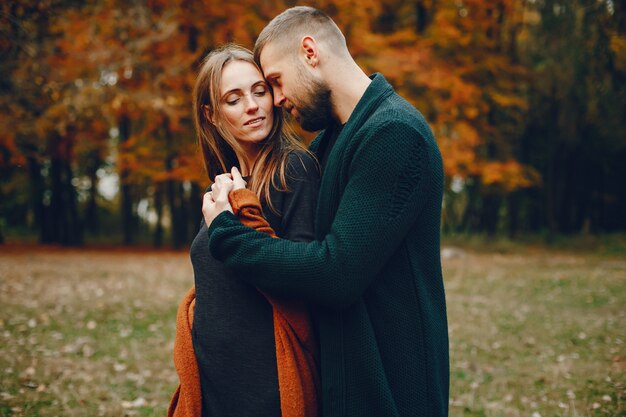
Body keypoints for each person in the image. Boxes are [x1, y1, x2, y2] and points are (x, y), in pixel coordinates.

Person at [202, 6, 449, 417]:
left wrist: (228, 233)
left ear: (310, 52)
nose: (276, 101)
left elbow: (336, 272)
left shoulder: (395, 133)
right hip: (345, 383)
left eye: (275, 83)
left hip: (391, 390)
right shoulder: (331, 143)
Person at [169, 44, 320, 417]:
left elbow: (304, 279)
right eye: (233, 99)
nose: (252, 105)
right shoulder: (223, 185)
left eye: (259, 91)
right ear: (212, 115)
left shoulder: (294, 169)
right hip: (213, 383)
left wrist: (243, 213)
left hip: (262, 387)